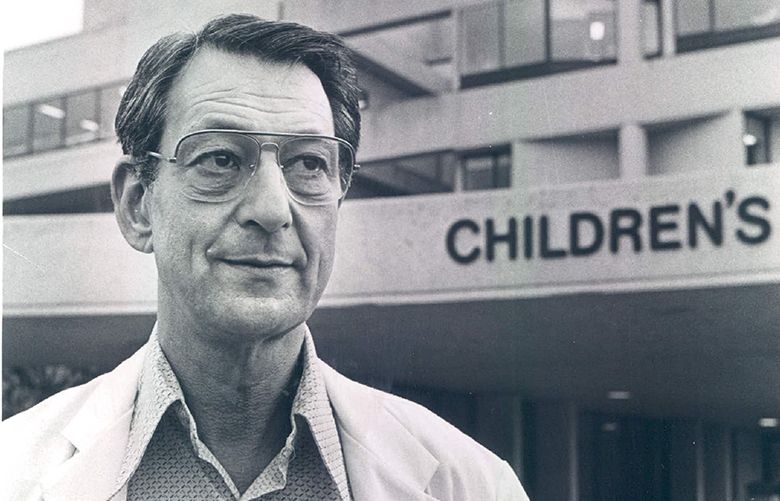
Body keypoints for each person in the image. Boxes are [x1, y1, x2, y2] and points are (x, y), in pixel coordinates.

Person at [1, 14, 529, 501]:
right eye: (220, 159)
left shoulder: (475, 486)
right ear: (138, 205)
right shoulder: (13, 471)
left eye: (309, 164)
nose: (273, 210)